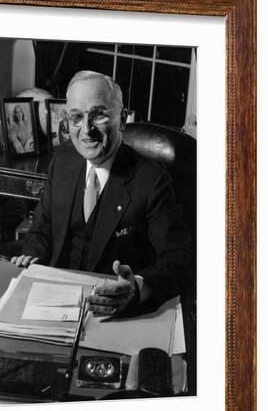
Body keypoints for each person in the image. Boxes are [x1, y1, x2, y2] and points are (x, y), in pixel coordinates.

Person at [11, 70, 192, 317]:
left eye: (98, 116)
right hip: (54, 303)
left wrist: (137, 286)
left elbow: (179, 259)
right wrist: (32, 256)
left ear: (123, 119)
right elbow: (43, 226)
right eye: (76, 117)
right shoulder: (62, 161)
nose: (86, 130)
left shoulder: (152, 180)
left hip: (116, 310)